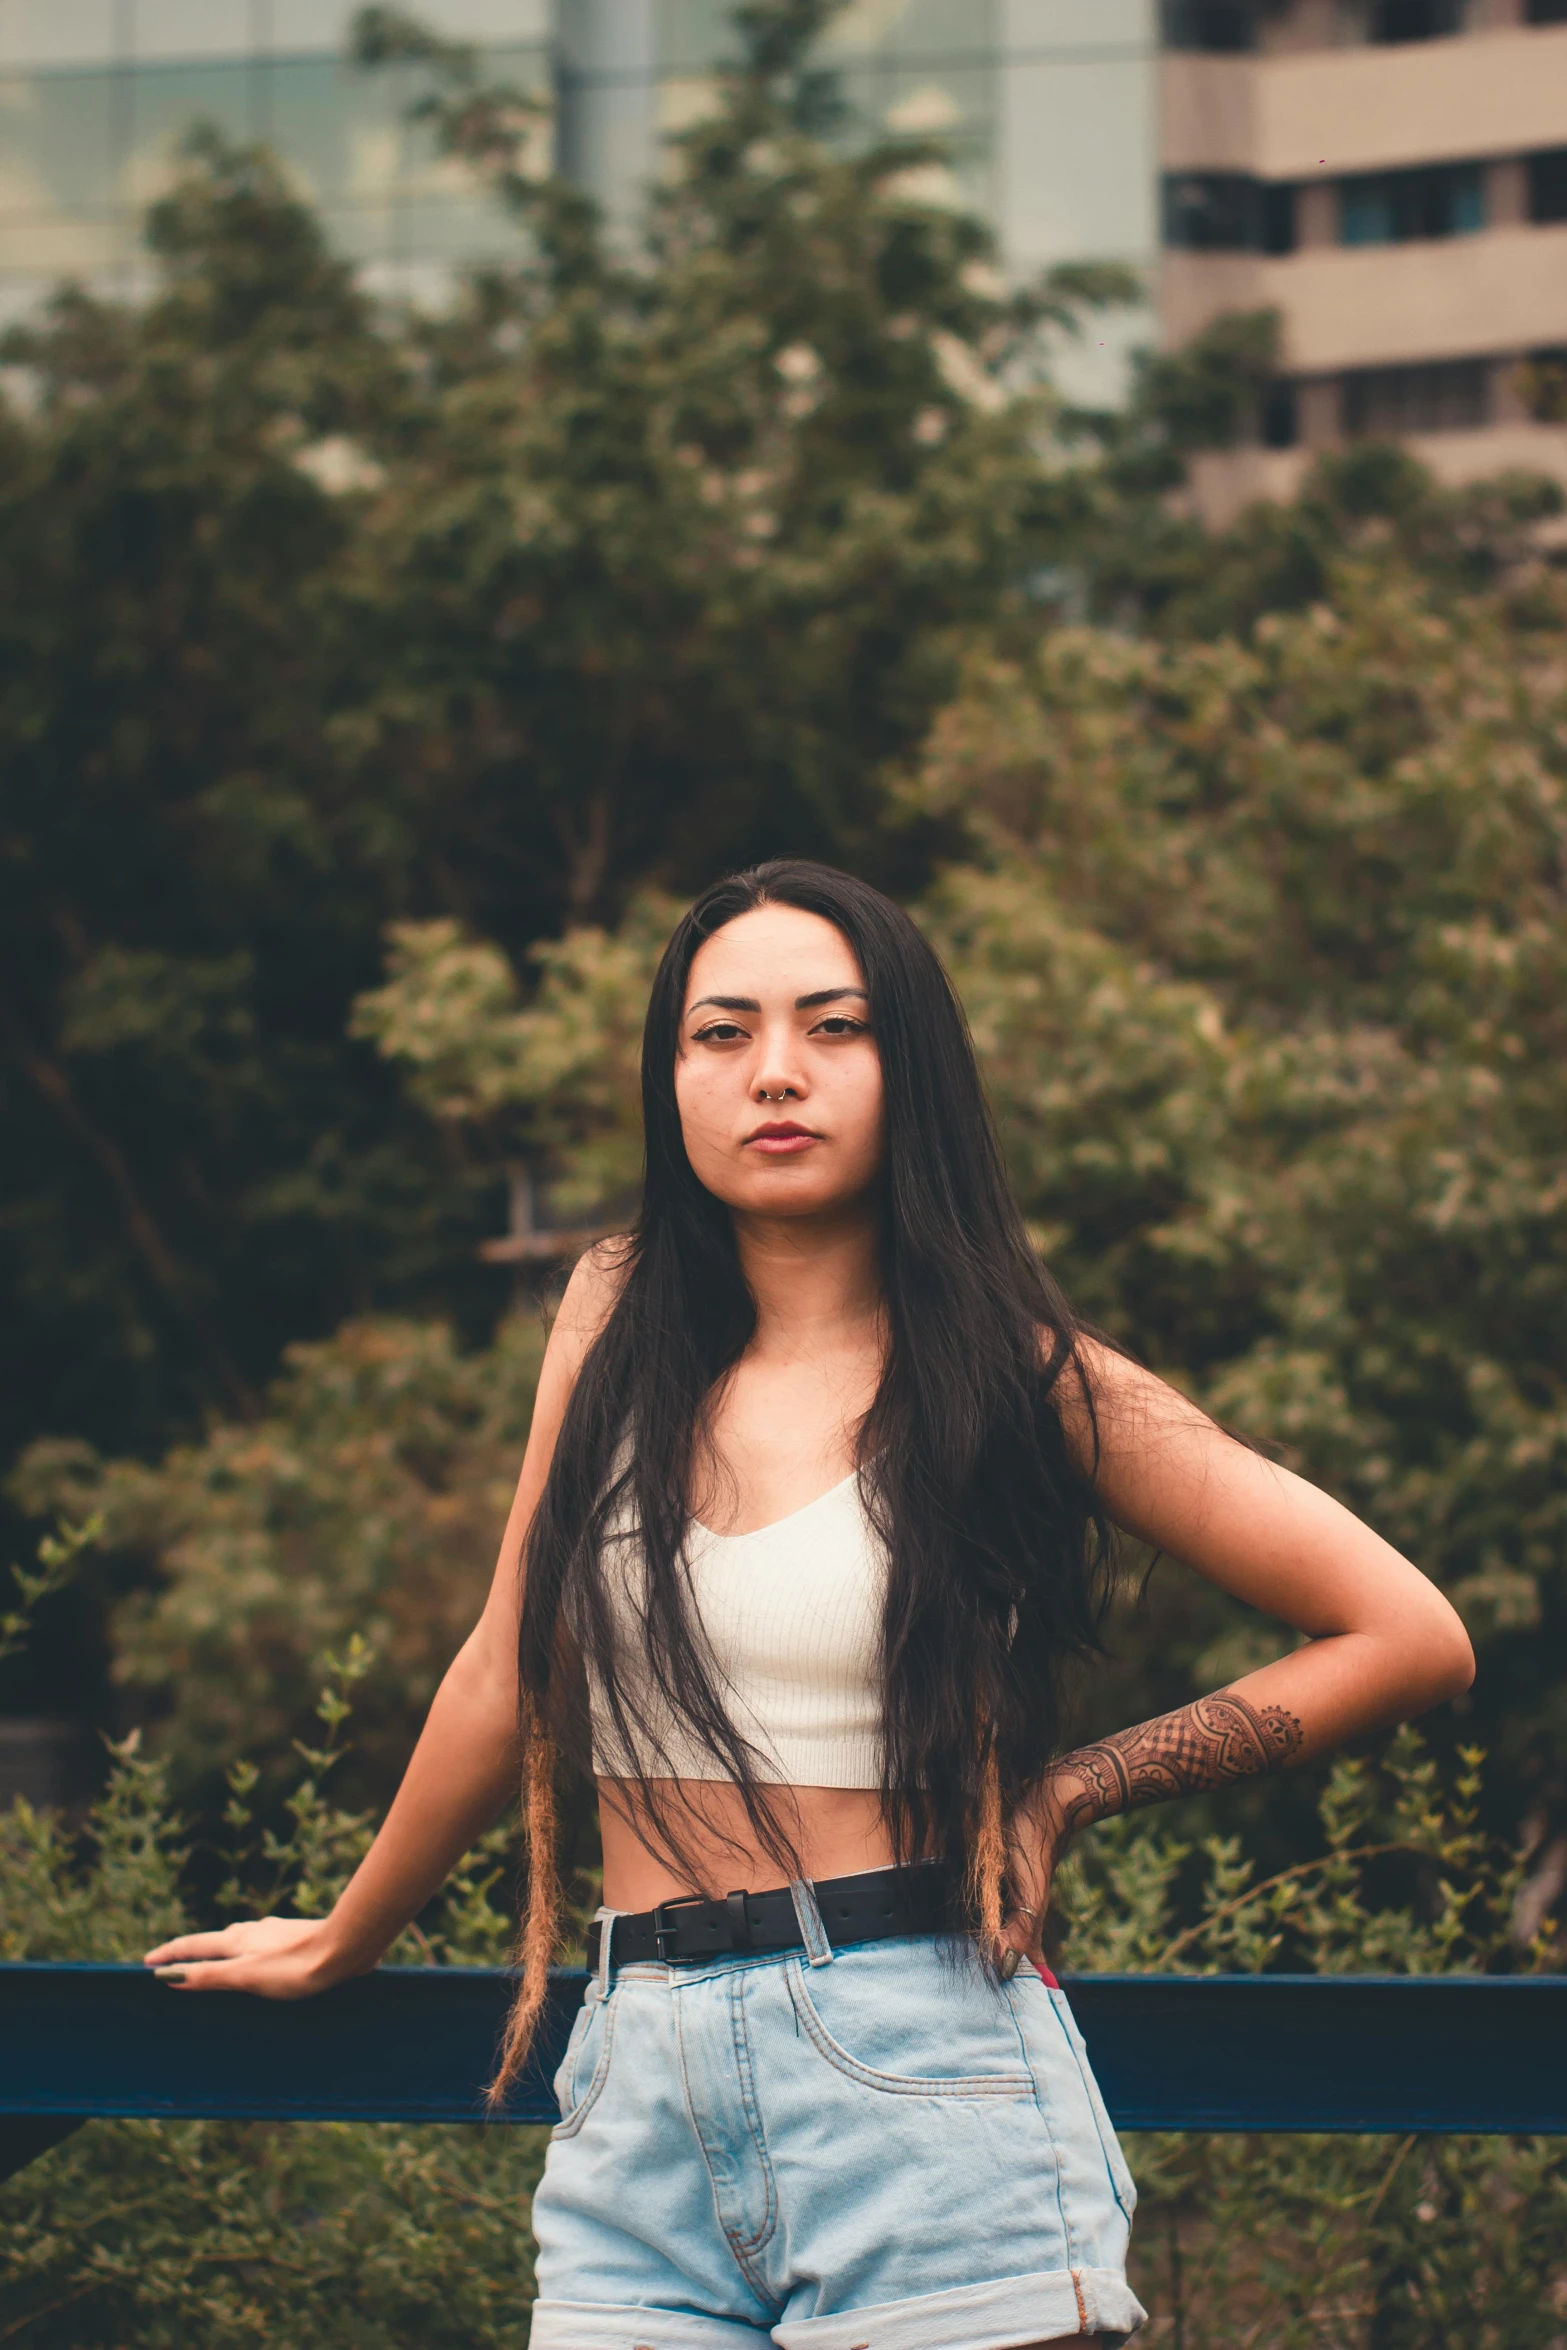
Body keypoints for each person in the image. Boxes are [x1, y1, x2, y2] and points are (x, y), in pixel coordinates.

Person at [145, 860, 1474, 2350]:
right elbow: (506, 1661)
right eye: (721, 1033)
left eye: (831, 1026)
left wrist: (1068, 1790)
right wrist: (348, 1929)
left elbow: (1404, 1628)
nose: (773, 1071)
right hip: (632, 2092)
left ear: (908, 1065)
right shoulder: (611, 1313)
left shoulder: (1017, 1377)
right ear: (671, 1078)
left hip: (922, 2077)